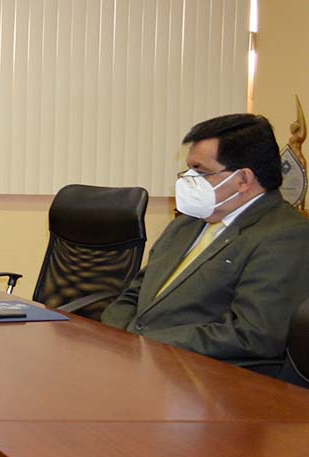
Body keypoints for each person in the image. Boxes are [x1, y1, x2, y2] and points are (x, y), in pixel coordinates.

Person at [101, 113, 309, 374]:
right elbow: (135, 293)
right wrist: (116, 339)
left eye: (201, 171)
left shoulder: (285, 235)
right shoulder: (186, 223)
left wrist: (144, 343)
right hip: (142, 363)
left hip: (207, 379)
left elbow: (253, 334)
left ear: (243, 179)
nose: (188, 180)